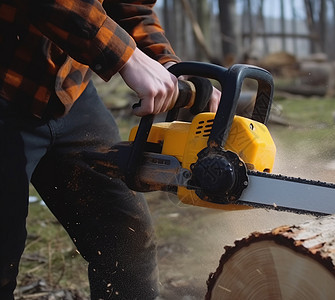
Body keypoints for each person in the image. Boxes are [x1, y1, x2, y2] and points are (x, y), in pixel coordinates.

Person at [0, 0, 219, 299]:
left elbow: (130, 6)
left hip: (68, 91)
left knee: (125, 242)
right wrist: (127, 58)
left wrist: (167, 65)